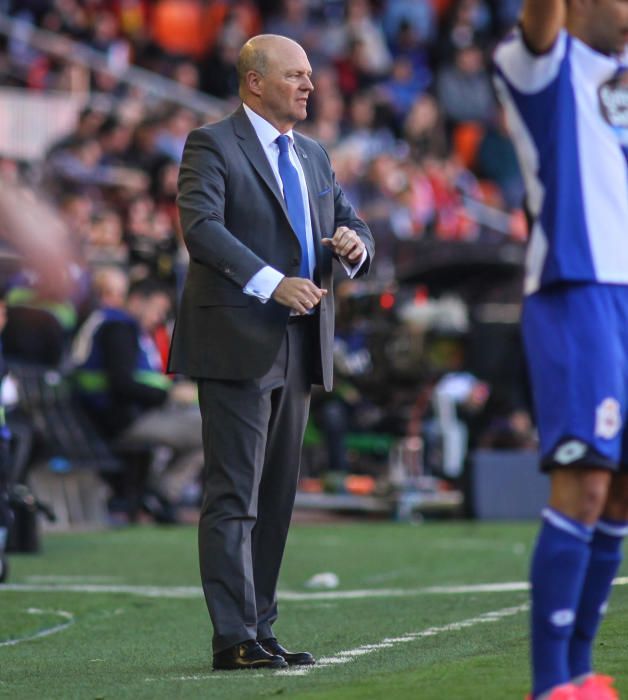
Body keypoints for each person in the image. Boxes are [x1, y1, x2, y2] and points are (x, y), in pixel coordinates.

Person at [168, 34, 374, 670]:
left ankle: (259, 628)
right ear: (255, 81)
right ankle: (232, 637)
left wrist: (354, 246)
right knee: (235, 493)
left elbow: (354, 221)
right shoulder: (211, 144)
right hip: (236, 340)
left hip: (300, 341)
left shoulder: (313, 154)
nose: (310, 85)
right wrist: (270, 282)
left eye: (310, 75)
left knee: (278, 493)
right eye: (296, 75)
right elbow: (201, 228)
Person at [493, 3, 628, 699]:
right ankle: (550, 685)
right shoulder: (542, 62)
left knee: (619, 497)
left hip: (627, 297)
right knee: (587, 484)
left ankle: (580, 672)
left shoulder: (620, 76)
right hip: (577, 289)